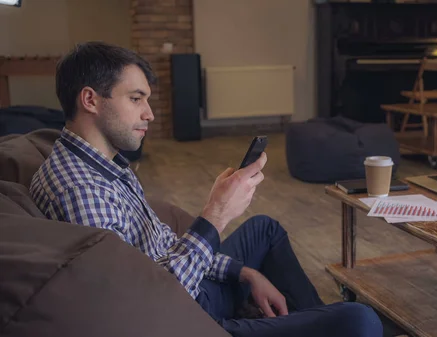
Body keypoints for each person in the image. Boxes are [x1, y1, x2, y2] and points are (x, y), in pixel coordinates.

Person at [29, 41, 383, 337]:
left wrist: (245, 272)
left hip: (187, 283)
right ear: (90, 100)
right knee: (360, 319)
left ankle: (314, 321)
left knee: (265, 230)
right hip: (189, 318)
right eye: (136, 99)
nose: (149, 113)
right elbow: (148, 304)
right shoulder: (80, 189)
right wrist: (215, 215)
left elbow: (160, 249)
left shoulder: (104, 163)